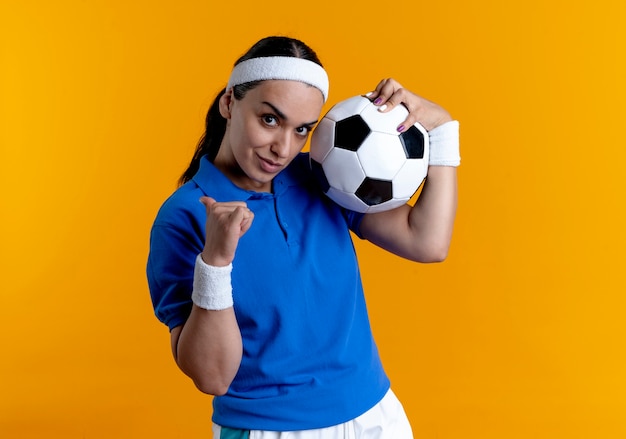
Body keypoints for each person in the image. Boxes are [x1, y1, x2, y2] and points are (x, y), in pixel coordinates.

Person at [147, 36, 460, 439]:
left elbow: (428, 242)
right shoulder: (185, 216)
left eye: (302, 130)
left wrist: (441, 130)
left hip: (375, 416)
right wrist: (216, 262)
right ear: (229, 103)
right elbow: (213, 377)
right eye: (270, 119)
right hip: (271, 429)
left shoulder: (324, 175)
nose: (282, 148)